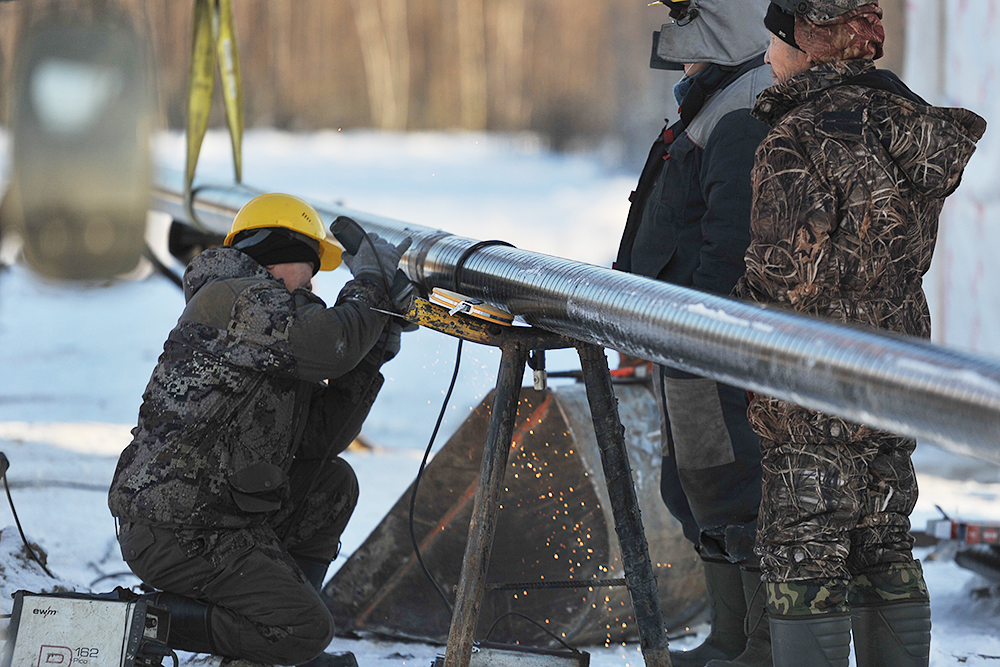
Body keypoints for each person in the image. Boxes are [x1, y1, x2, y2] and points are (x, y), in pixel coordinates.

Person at [734, 3, 986, 666]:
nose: (768, 56)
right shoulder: (906, 124)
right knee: (884, 537)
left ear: (811, 44)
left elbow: (783, 275)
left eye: (776, 41)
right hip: (894, 366)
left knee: (803, 544)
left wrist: (732, 338)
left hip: (812, 378)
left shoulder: (799, 135)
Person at [108, 193, 412, 667]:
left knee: (332, 484)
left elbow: (318, 442)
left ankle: (264, 645)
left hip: (217, 516)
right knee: (306, 631)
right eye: (309, 268)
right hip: (177, 528)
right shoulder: (238, 298)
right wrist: (371, 283)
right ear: (277, 255)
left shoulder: (267, 326)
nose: (312, 284)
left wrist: (374, 345)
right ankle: (152, 618)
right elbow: (333, 344)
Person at [613, 1, 773, 665]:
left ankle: (758, 645)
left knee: (731, 486)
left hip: (707, 342)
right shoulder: (713, 98)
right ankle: (729, 637)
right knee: (696, 485)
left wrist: (694, 333)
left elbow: (729, 244)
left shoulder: (740, 108)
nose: (674, 40)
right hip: (683, 338)